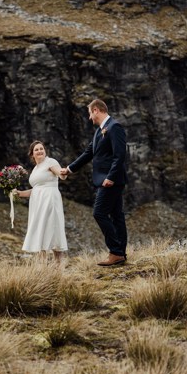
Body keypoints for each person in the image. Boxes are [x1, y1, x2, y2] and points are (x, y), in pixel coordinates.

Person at [62, 99, 129, 267]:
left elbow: (120, 155)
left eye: (90, 113)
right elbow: (88, 153)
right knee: (116, 216)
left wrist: (111, 177)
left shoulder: (115, 127)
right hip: (106, 180)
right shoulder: (99, 131)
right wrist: (69, 169)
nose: (90, 118)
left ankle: (115, 251)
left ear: (97, 110)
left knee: (99, 213)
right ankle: (120, 253)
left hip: (110, 181)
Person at [13, 141, 68, 265]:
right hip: (37, 203)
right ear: (32, 154)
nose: (39, 151)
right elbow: (36, 189)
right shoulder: (36, 169)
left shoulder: (50, 162)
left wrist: (63, 173)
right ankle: (42, 268)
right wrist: (20, 193)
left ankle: (59, 267)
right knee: (41, 230)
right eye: (36, 150)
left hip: (50, 200)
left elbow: (60, 174)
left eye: (41, 148)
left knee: (52, 229)